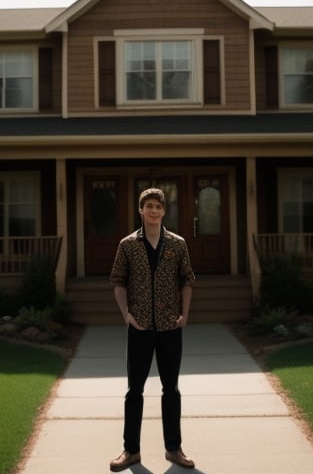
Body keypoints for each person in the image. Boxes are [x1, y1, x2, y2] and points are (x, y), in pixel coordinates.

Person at [109, 187, 196, 472]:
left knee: (171, 388)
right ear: (141, 210)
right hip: (140, 326)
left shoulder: (178, 244)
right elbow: (118, 281)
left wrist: (184, 314)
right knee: (135, 390)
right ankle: (130, 450)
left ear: (163, 211)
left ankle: (174, 449)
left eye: (158, 206)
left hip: (171, 325)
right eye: (149, 206)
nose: (154, 211)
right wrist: (126, 315)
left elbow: (187, 279)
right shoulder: (128, 245)